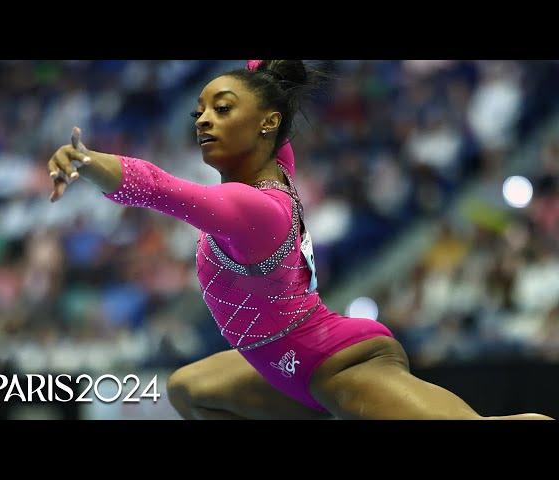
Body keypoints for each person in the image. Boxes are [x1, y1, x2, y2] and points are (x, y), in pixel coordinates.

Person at [47, 60, 553, 420]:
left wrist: (88, 161)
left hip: (337, 367)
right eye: (199, 110)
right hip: (282, 365)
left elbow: (159, 187)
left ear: (267, 124)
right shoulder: (273, 167)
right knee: (189, 390)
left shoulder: (256, 209)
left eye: (222, 109)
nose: (203, 119)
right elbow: (269, 76)